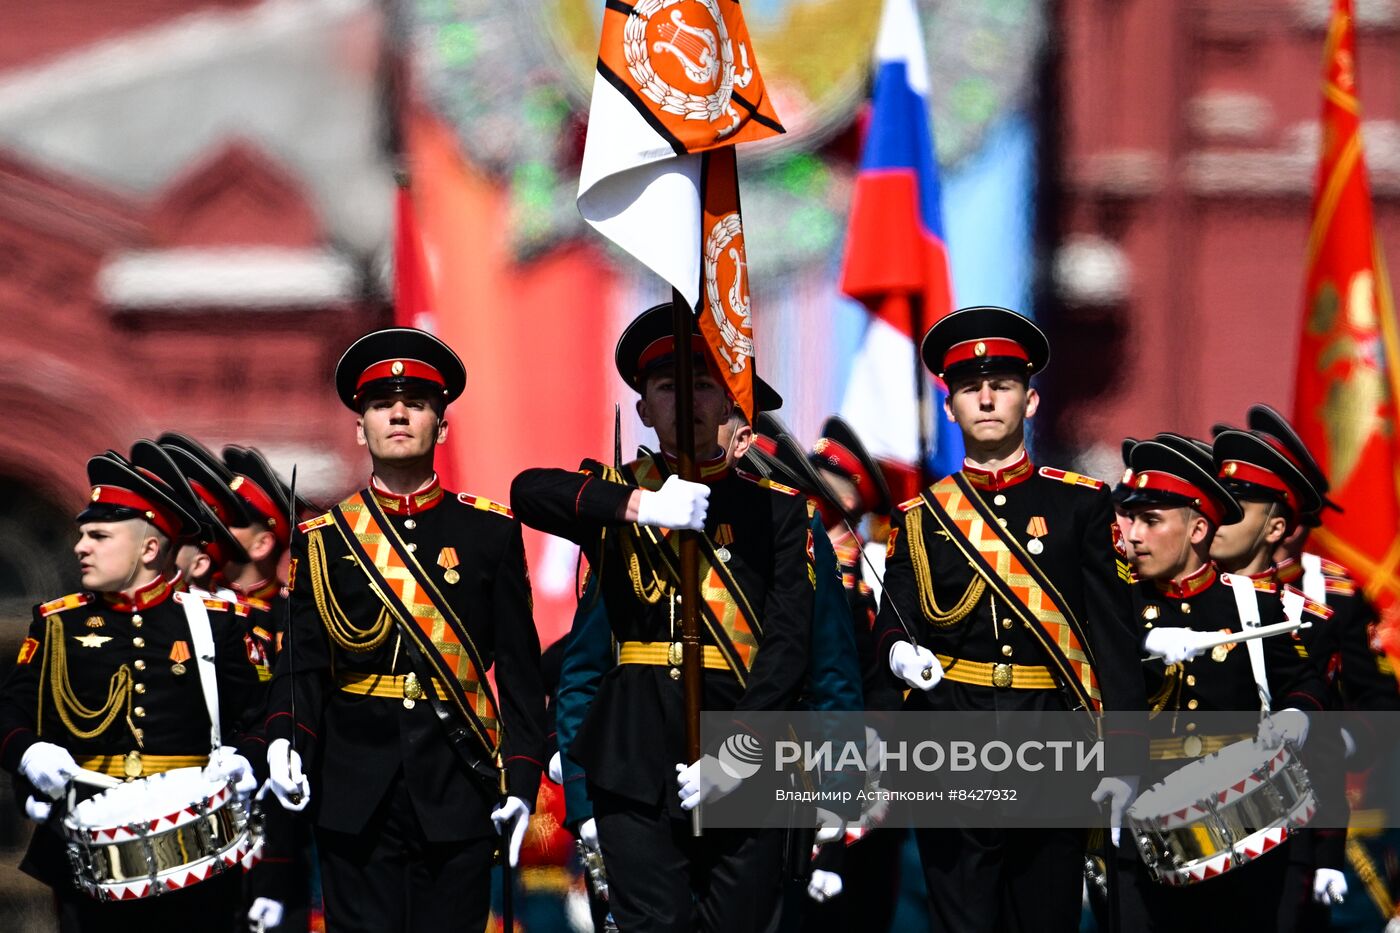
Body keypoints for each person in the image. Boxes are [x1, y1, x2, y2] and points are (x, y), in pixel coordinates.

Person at [511, 303, 814, 933]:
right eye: (668, 385)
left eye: (704, 384)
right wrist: (642, 505)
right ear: (644, 407)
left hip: (747, 746)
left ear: (732, 404)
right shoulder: (623, 495)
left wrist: (742, 748)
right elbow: (526, 491)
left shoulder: (778, 512)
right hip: (635, 750)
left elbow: (788, 643)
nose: (686, 401)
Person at [261, 327, 546, 933]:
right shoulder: (323, 540)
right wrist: (284, 739)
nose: (397, 414)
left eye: (416, 404)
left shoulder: (488, 534)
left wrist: (521, 779)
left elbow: (520, 673)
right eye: (381, 405)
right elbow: (302, 669)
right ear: (358, 427)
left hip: (460, 782)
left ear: (441, 427)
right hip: (352, 790)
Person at [873, 305, 1146, 933]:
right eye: (970, 389)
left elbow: (1112, 640)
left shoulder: (1081, 506)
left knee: (1043, 918)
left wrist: (1125, 759)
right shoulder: (921, 518)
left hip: (1052, 741)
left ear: (1030, 401)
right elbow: (894, 623)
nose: (987, 399)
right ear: (950, 408)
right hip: (950, 745)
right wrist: (896, 654)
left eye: (1002, 387)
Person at [0, 453, 263, 932]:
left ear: (147, 550)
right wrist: (28, 752)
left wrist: (247, 757)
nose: (80, 547)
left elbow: (265, 715)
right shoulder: (59, 624)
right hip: (89, 854)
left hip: (196, 851)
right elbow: (9, 712)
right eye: (81, 534)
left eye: (98, 537)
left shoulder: (214, 624)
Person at [1115, 438, 1329, 932]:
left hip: (1246, 824)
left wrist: (1296, 715)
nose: (1134, 536)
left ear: (1197, 528)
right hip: (1142, 829)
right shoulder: (1118, 607)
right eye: (1131, 519)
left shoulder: (1254, 605)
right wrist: (1143, 643)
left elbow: (1308, 680)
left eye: (1151, 521)